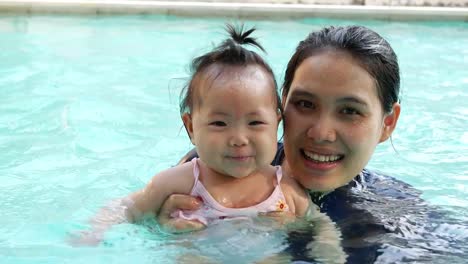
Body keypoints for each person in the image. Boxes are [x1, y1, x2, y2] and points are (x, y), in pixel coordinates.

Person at [156, 25, 422, 263]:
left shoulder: (395, 223)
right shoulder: (218, 163)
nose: (321, 133)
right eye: (305, 104)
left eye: (350, 111)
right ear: (280, 105)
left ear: (388, 123)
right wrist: (159, 229)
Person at [73, 24, 316, 246]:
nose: (239, 138)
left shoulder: (285, 189)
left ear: (277, 123)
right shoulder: (179, 183)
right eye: (220, 123)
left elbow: (319, 228)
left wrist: (296, 227)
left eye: (255, 122)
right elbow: (126, 208)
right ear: (190, 127)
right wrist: (94, 232)